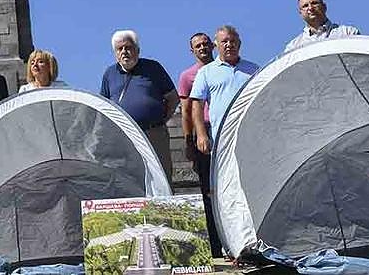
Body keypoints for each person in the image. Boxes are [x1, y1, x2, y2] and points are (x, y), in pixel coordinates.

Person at [100, 30, 179, 181]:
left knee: (161, 176)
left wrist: (161, 120)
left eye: (128, 47)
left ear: (137, 50)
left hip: (154, 133)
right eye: (120, 49)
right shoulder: (109, 74)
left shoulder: (153, 68)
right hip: (124, 136)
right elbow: (104, 106)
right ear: (115, 53)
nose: (124, 52)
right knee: (129, 179)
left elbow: (173, 98)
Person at [177, 32, 221, 257]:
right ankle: (215, 246)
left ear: (212, 46)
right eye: (198, 46)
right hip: (202, 134)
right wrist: (188, 141)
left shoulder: (222, 68)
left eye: (205, 44)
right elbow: (186, 111)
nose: (202, 48)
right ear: (192, 50)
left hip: (223, 129)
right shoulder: (187, 76)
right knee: (208, 191)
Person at [191, 25, 259, 155]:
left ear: (239, 44)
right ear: (216, 45)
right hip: (221, 137)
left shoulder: (254, 70)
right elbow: (197, 106)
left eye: (232, 41)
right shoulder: (205, 72)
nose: (229, 45)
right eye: (224, 42)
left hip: (250, 134)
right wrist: (201, 135)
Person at [283, 0, 360, 53]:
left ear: (324, 7)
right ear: (300, 13)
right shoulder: (294, 47)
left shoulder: (348, 33)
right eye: (305, 6)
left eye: (314, 3)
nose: (310, 8)